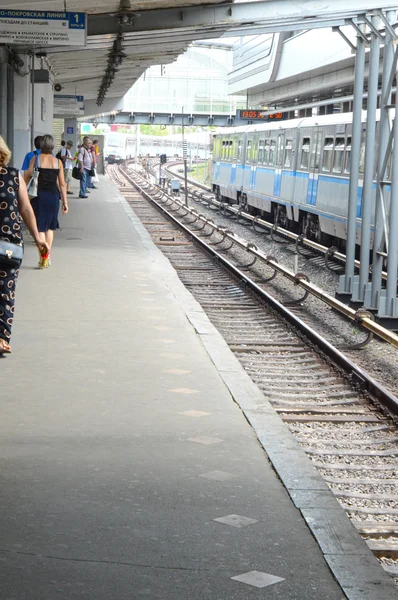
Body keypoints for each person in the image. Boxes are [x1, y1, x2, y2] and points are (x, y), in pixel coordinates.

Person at [0, 135, 49, 354]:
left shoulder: (14, 176)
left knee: (5, 291)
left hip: (8, 246)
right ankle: (1, 338)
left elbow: (27, 209)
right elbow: (25, 209)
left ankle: (1, 338)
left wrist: (39, 238)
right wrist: (38, 238)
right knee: (5, 291)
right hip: (9, 245)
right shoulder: (13, 176)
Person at [24, 134, 68, 268]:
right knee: (50, 228)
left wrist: (22, 193)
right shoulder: (57, 162)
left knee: (39, 229)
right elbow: (62, 184)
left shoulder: (35, 159)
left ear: (41, 145)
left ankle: (43, 256)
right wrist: (65, 202)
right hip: (53, 197)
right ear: (52, 145)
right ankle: (47, 256)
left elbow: (26, 177)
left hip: (38, 196)